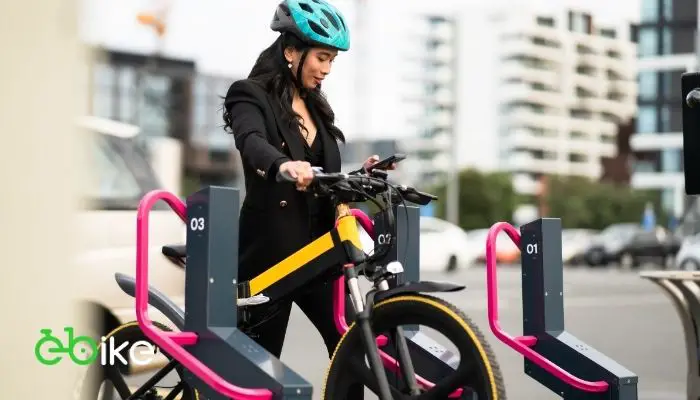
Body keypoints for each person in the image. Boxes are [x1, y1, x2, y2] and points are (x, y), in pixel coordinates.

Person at [222, 0, 392, 384]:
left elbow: (320, 175)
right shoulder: (249, 94)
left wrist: (361, 174)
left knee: (352, 348)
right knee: (262, 371)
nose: (327, 69)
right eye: (322, 57)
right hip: (271, 255)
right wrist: (282, 166)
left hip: (319, 254)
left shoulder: (317, 107)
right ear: (290, 51)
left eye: (332, 60)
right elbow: (251, 141)